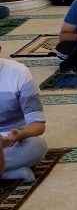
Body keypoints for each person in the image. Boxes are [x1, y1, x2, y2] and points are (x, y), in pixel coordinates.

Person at [0, 52, 47, 181]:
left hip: (10, 142)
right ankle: (6, 174)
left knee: (37, 146)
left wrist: (18, 135)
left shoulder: (19, 73)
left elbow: (38, 125)